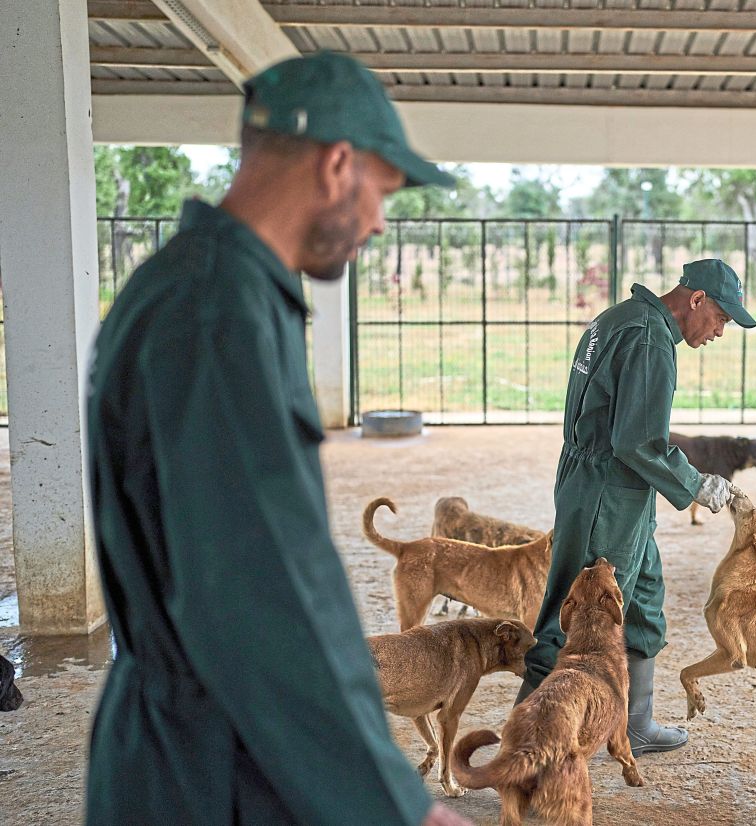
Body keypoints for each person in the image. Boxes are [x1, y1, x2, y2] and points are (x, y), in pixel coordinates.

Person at [85, 52, 469, 826]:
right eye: (381, 192)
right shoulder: (214, 313)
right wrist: (394, 804)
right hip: (210, 764)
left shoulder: (201, 288)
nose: (378, 221)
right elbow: (261, 594)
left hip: (195, 742)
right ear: (336, 165)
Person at [518, 259, 756, 755]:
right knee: (579, 615)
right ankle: (532, 749)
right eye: (721, 317)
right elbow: (638, 441)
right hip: (608, 489)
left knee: (644, 595)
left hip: (611, 484)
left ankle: (634, 724)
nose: (720, 331)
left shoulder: (621, 317)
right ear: (696, 300)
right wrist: (696, 484)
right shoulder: (650, 341)